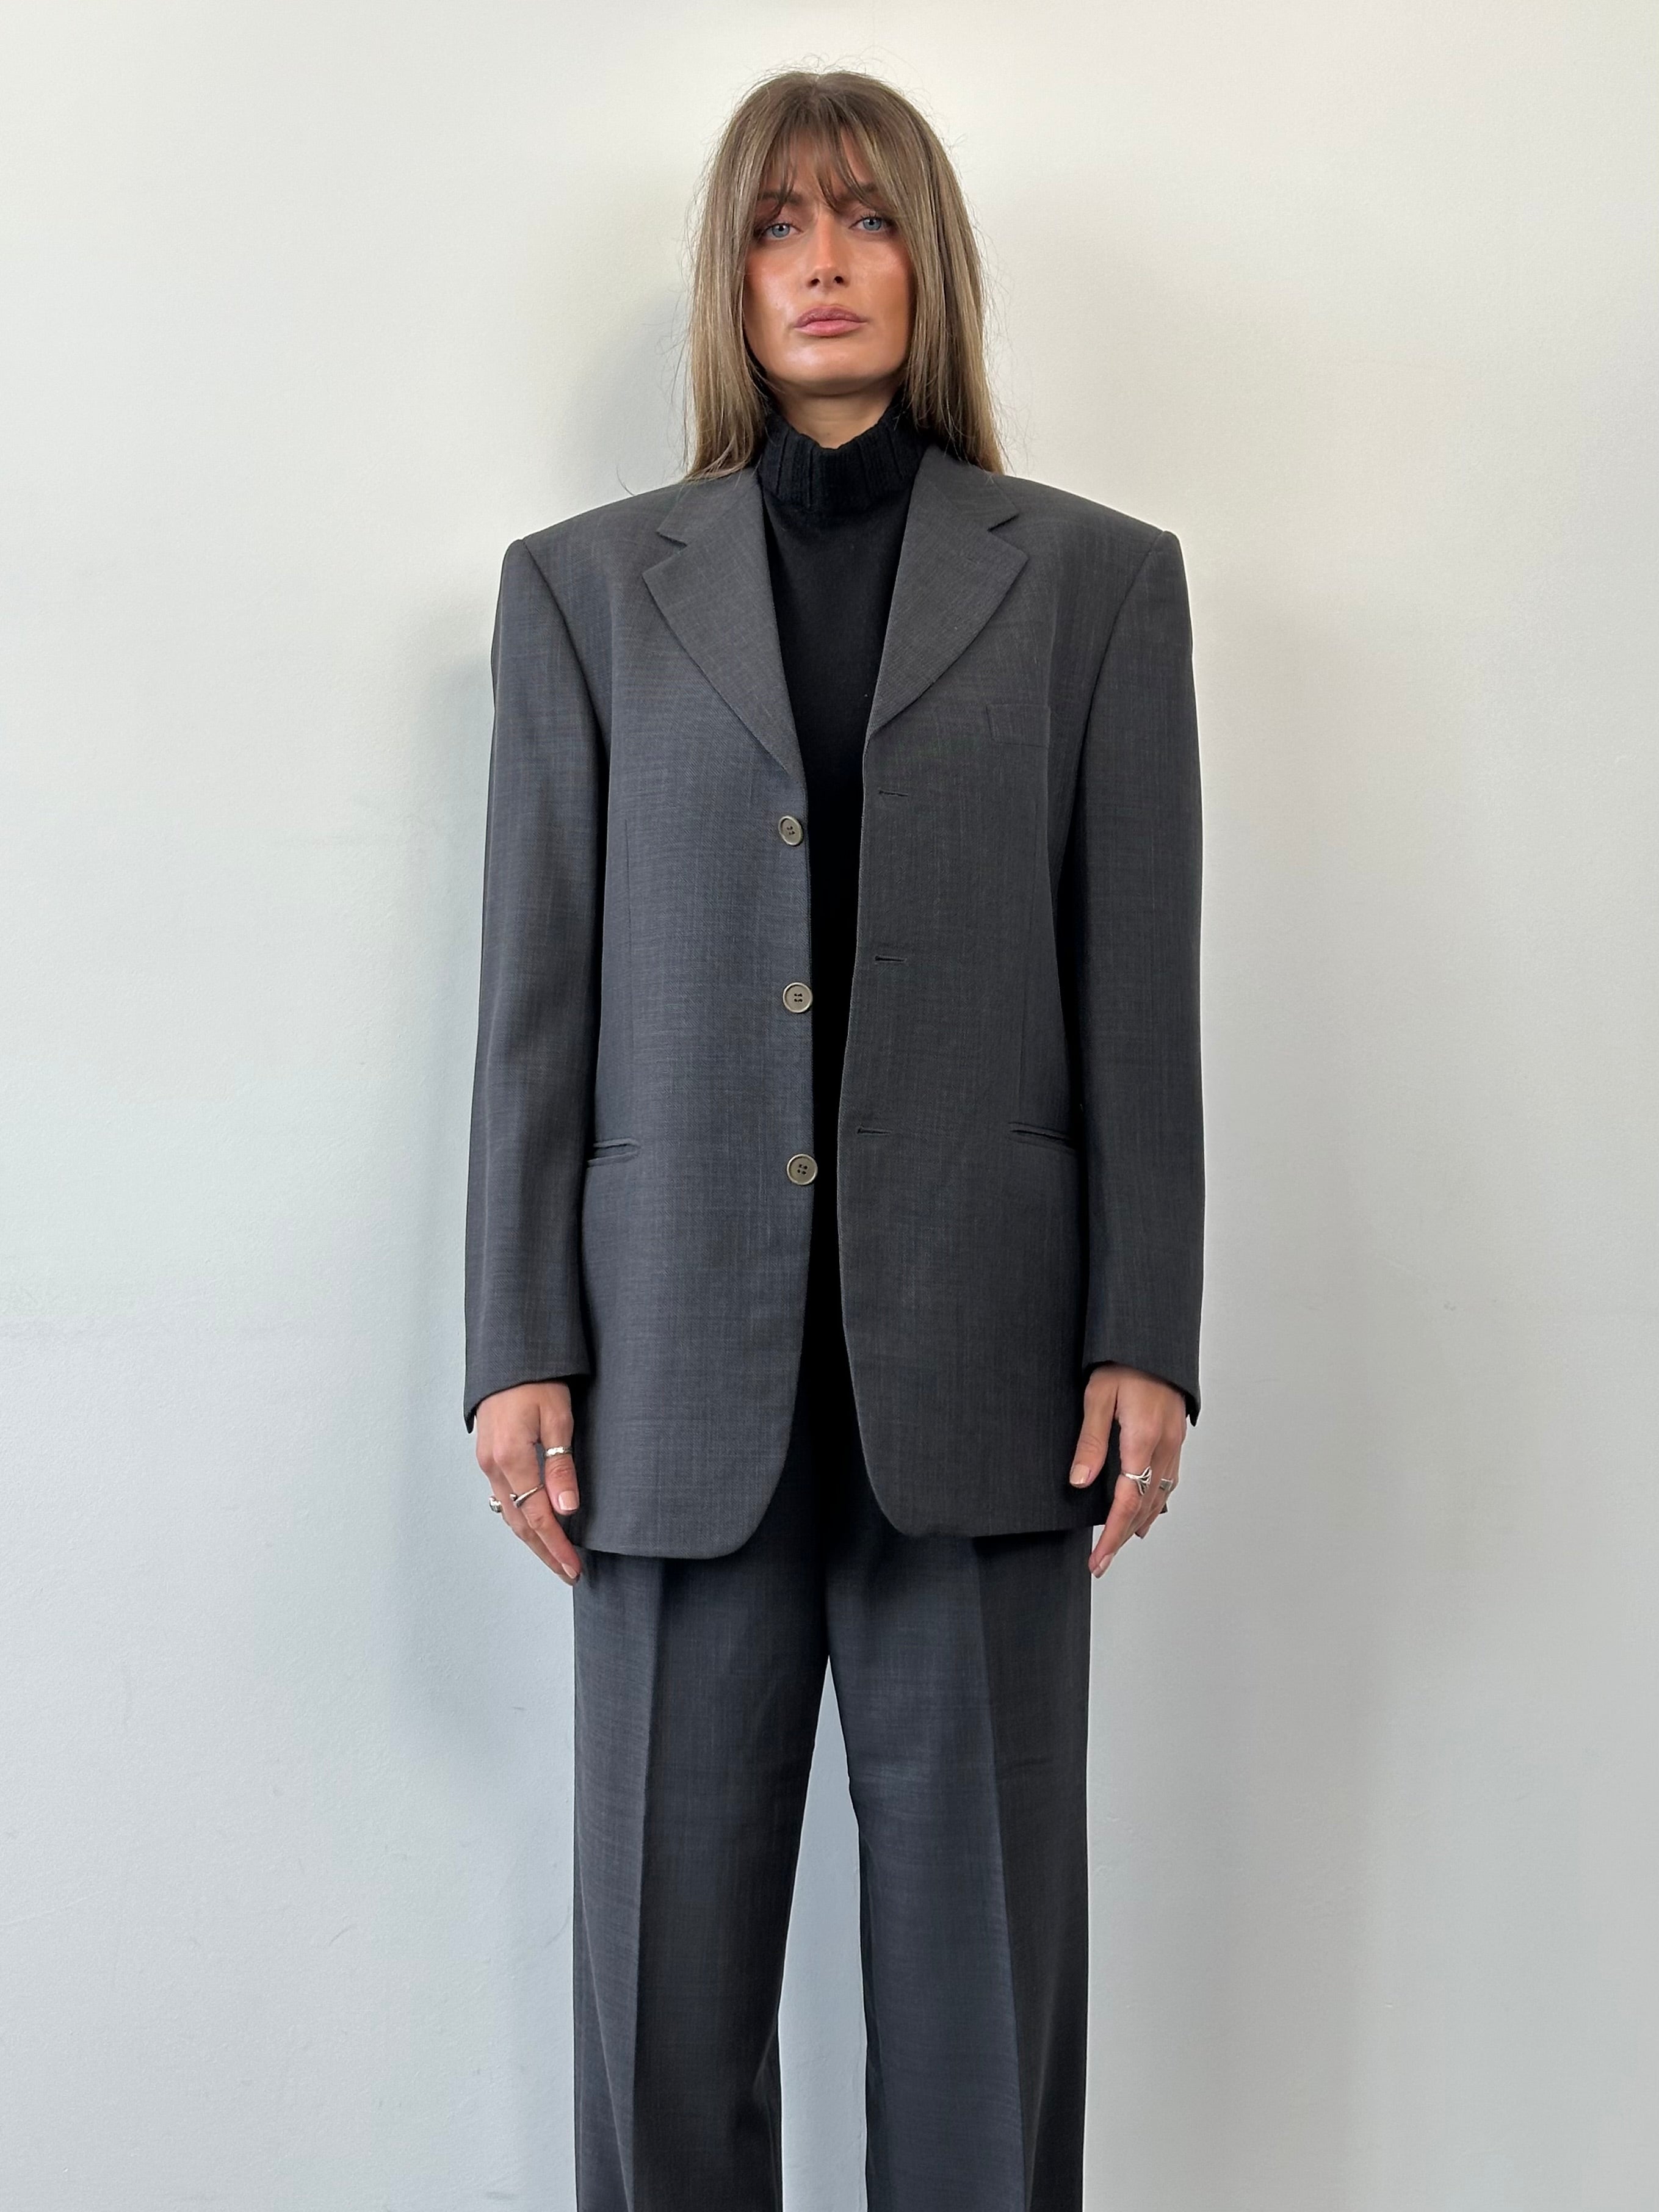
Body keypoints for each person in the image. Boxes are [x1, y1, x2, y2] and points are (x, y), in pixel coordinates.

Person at [464, 66, 1203, 2212]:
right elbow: (535, 1006)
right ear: (732, 271)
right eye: (781, 223)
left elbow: (1135, 985)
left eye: (867, 219)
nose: (823, 263)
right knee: (665, 2006)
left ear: (927, 262)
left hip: (988, 1375)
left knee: (986, 2010)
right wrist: (518, 1342)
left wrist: (1143, 1329)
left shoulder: (1095, 585)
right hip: (669, 1382)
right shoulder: (585, 593)